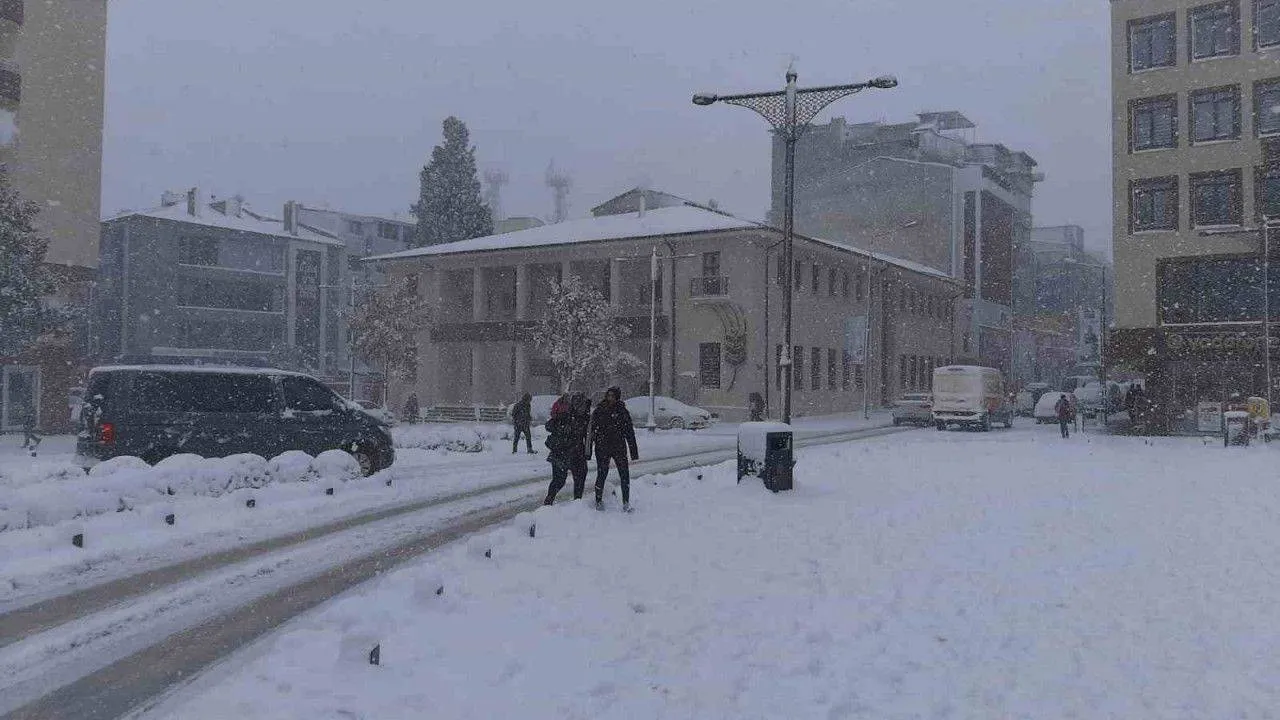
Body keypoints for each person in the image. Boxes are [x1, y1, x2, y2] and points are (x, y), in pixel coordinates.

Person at [588, 386, 639, 512]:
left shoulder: (622, 411)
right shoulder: (600, 410)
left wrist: (634, 452)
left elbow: (629, 432)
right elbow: (592, 432)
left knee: (624, 475)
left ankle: (626, 502)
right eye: (608, 395)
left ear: (617, 397)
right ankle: (598, 501)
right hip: (602, 447)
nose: (610, 398)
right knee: (602, 474)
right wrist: (588, 450)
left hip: (618, 447)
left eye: (613, 396)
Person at [542, 392, 591, 504]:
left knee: (571, 478)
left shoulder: (583, 418)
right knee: (563, 480)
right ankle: (552, 502)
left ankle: (574, 503)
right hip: (565, 452)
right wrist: (561, 429)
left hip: (570, 453)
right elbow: (549, 426)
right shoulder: (569, 416)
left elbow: (590, 436)